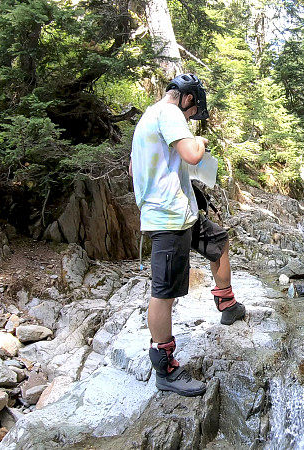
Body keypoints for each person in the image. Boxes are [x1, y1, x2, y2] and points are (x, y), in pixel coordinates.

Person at [130, 74, 245, 397]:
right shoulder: (169, 114)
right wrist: (201, 143)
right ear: (188, 98)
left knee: (218, 242)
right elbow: (193, 154)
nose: (191, 118)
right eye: (193, 113)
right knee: (164, 290)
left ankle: (227, 304)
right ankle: (164, 367)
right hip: (167, 218)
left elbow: (133, 169)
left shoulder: (147, 118)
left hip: (181, 212)